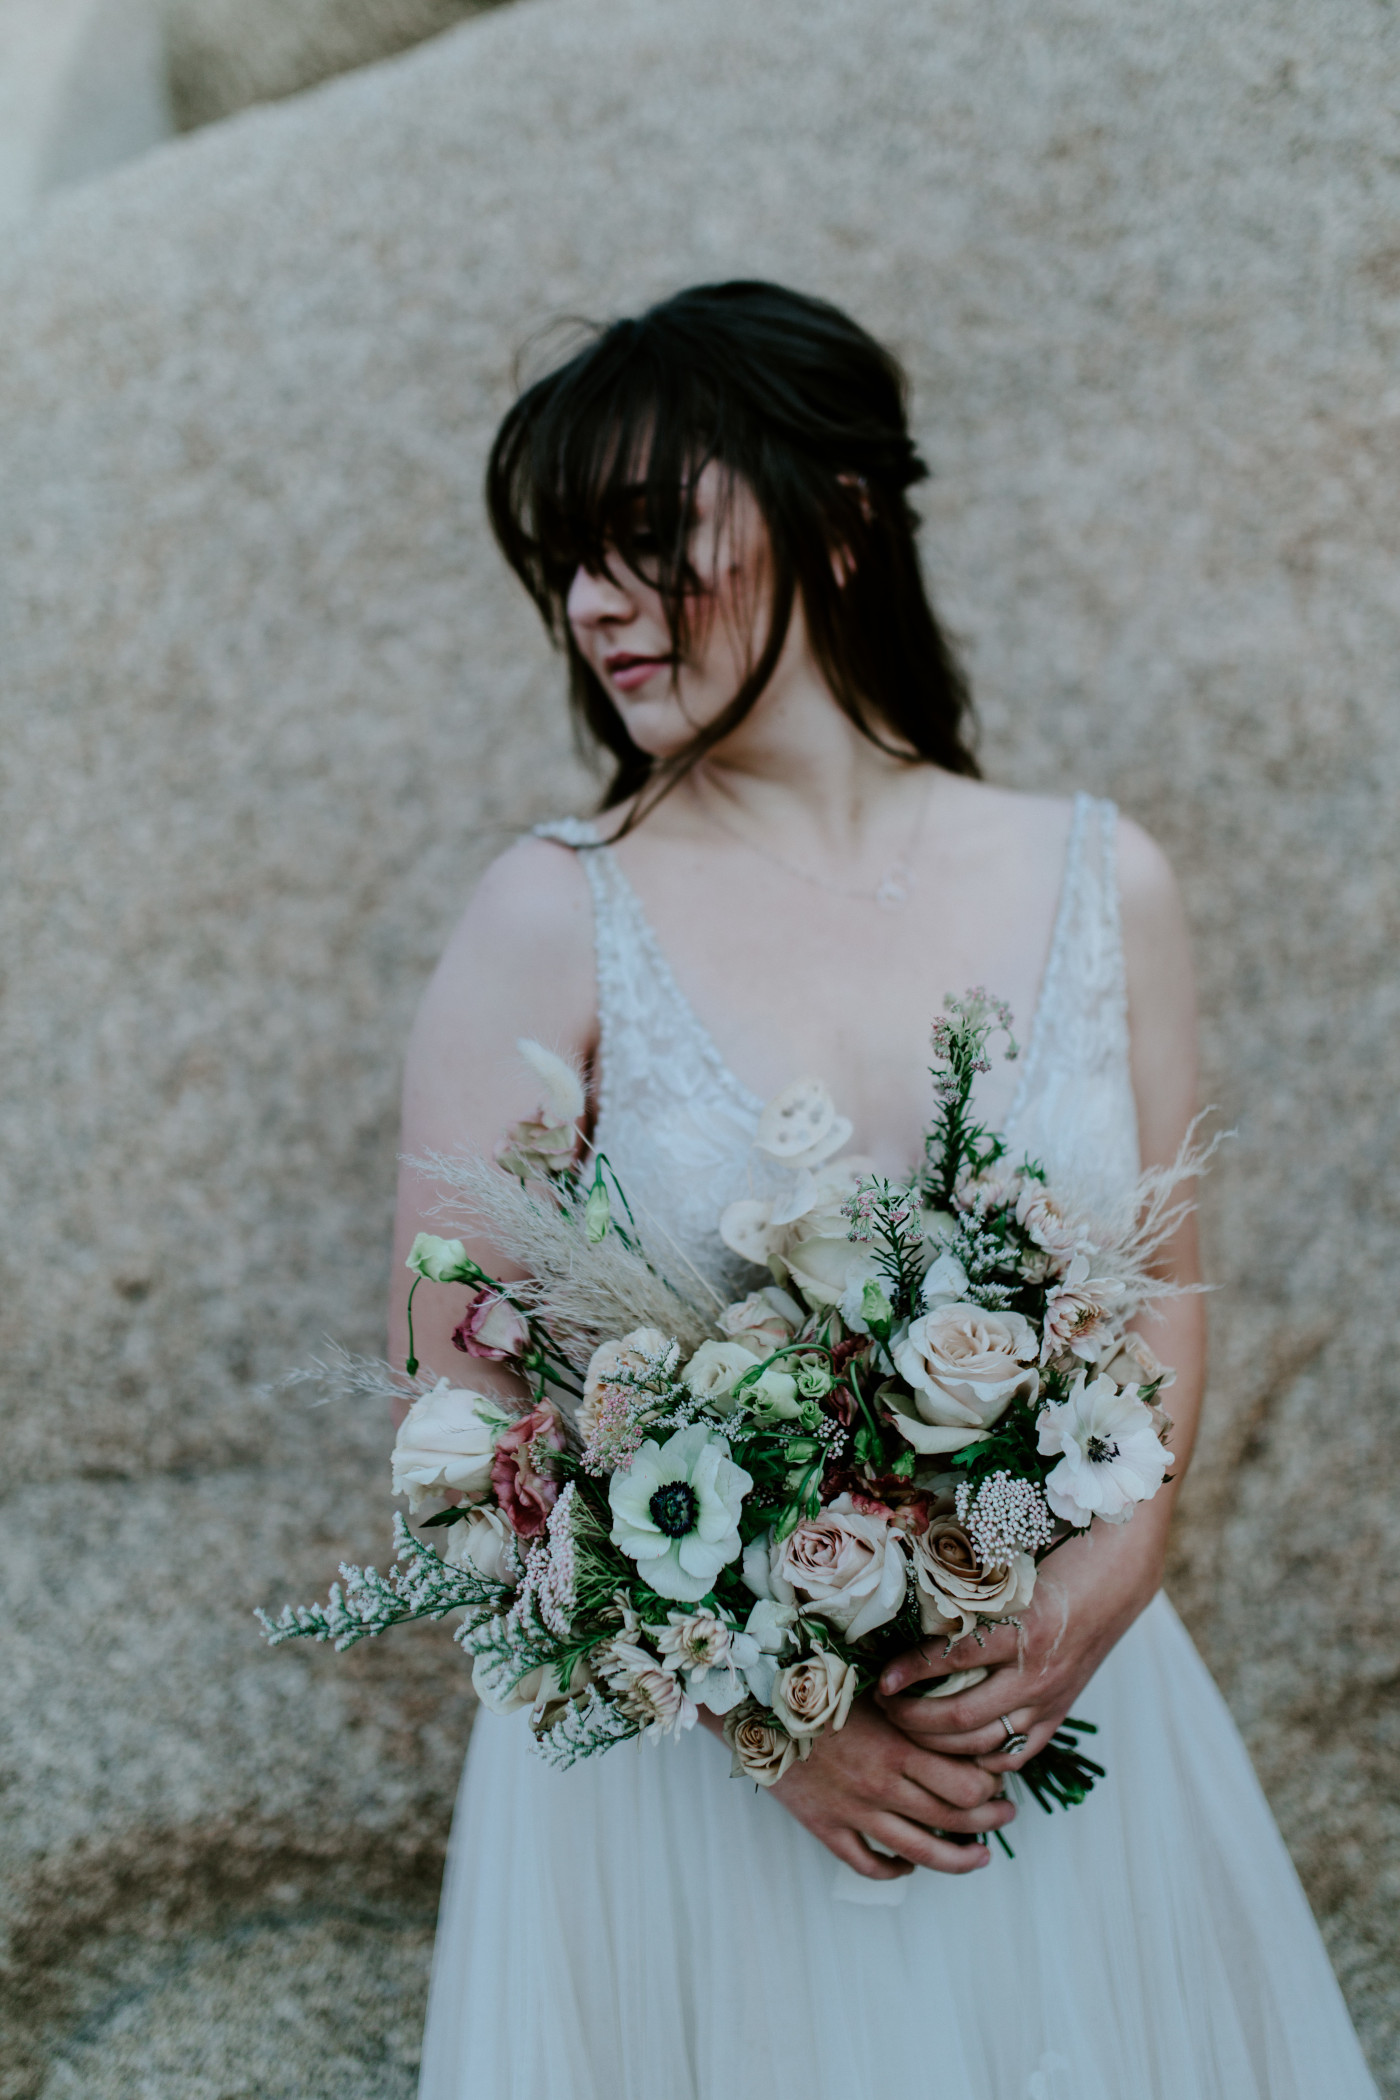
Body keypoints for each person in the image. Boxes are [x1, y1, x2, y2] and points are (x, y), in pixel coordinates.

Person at [394, 283, 1378, 2100]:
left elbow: (1164, 1290)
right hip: (691, 1804)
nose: (596, 605)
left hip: (1061, 1735)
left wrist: (1108, 1577)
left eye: (644, 542)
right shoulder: (551, 915)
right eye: (564, 564)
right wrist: (766, 1723)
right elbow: (464, 1404)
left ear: (835, 521)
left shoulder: (1102, 877)